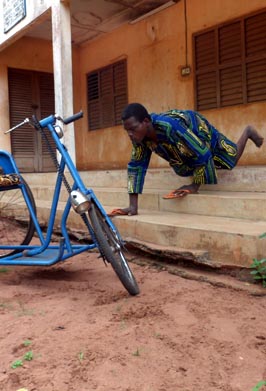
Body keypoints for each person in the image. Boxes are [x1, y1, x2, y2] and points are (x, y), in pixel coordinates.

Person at [109, 103, 264, 216]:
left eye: (133, 128)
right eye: (127, 130)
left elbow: (202, 153)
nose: (129, 134)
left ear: (146, 121)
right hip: (182, 143)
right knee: (183, 166)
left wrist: (194, 186)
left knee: (230, 161)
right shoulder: (139, 138)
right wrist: (132, 207)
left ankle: (248, 132)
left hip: (196, 127)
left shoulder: (171, 127)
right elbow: (137, 166)